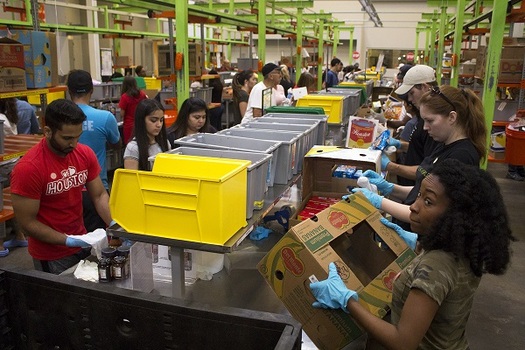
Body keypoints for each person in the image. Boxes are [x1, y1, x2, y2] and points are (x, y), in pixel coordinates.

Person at [311, 159, 513, 350]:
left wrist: (346, 301)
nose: (414, 207)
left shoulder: (435, 266)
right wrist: (418, 246)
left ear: (455, 215)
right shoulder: (464, 249)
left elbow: (402, 342)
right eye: (419, 196)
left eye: (428, 202)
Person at [354, 85, 487, 230]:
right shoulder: (443, 144)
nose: (425, 127)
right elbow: (423, 192)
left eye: (430, 121)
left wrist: (380, 202)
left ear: (452, 117)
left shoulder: (461, 157)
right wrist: (391, 188)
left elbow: (429, 212)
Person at [10, 99, 112, 274]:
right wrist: (67, 240)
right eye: (67, 138)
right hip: (52, 255)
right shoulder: (29, 168)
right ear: (48, 131)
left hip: (82, 241)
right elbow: (27, 223)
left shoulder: (83, 154)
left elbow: (99, 195)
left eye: (77, 137)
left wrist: (113, 223)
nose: (73, 144)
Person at [67, 69, 121, 232]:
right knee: (96, 241)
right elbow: (116, 144)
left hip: (65, 187)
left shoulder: (60, 118)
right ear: (92, 90)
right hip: (96, 189)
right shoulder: (105, 118)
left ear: (69, 91)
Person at [381, 65, 441, 185]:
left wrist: (391, 166)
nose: (409, 99)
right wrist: (399, 144)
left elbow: (429, 170)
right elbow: (421, 148)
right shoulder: (422, 118)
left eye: (412, 93)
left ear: (425, 87)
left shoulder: (435, 124)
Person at [123, 99, 170, 171]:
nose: (159, 125)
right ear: (141, 120)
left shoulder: (165, 143)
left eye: (161, 120)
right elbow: (131, 180)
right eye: (153, 120)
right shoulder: (133, 148)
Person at [119, 75, 148, 144]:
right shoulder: (142, 94)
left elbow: (122, 114)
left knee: (131, 146)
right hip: (141, 123)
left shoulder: (125, 97)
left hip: (129, 126)